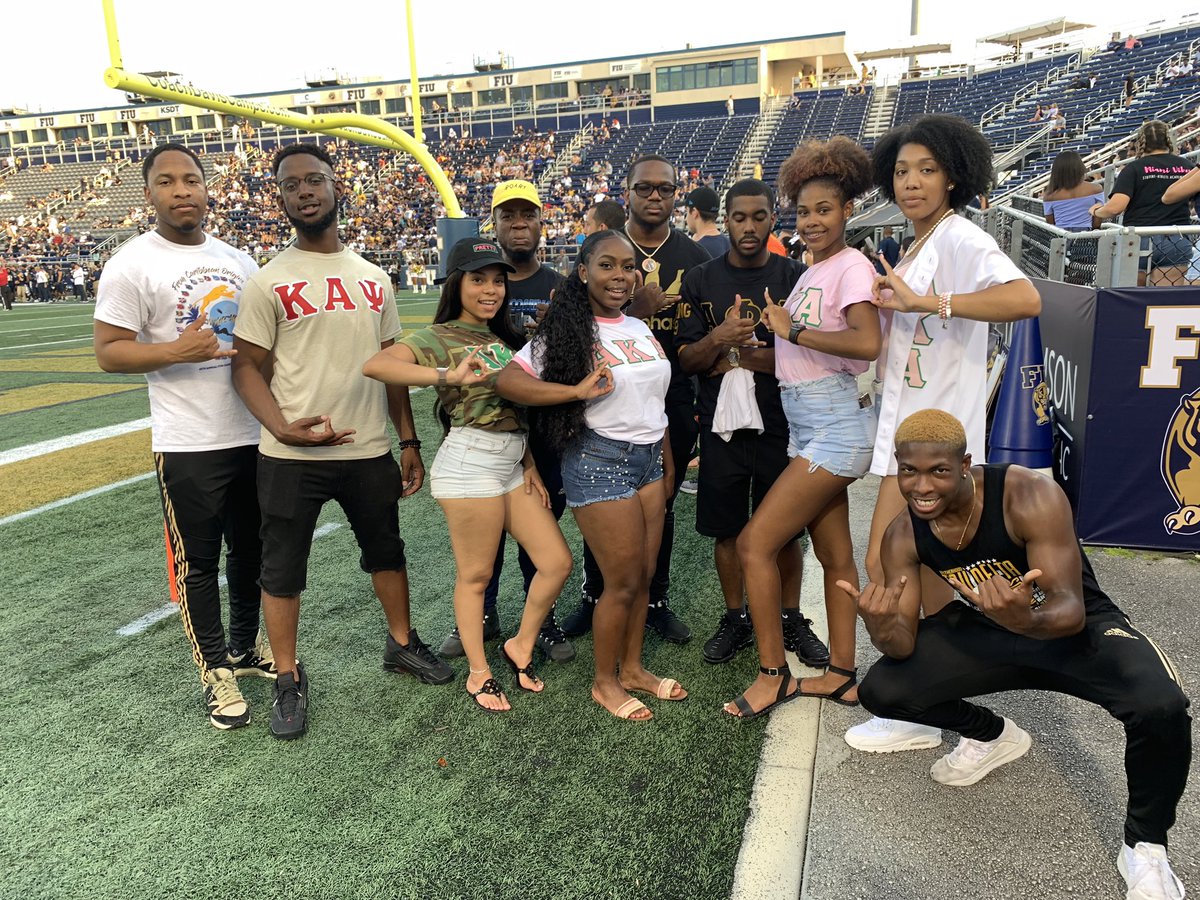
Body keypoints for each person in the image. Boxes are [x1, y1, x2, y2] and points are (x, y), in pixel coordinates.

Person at [843, 409, 1190, 900]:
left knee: (1162, 705)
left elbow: (1068, 608)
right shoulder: (902, 535)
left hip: (1075, 627)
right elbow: (901, 644)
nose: (922, 486)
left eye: (938, 471)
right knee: (882, 688)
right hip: (995, 625)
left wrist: (1024, 618)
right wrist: (880, 627)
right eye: (909, 471)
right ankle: (993, 736)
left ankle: (1146, 847)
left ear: (965, 464)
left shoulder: (1028, 494)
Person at [231, 143, 450, 740]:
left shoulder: (374, 278)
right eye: (290, 184)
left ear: (336, 188)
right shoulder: (268, 280)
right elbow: (246, 366)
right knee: (282, 568)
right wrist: (279, 425)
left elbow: (392, 367)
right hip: (290, 454)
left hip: (367, 449)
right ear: (279, 199)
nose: (303, 190)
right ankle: (286, 674)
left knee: (387, 551)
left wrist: (408, 441)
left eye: (314, 180)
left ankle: (401, 643)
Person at [848, 115, 1041, 751]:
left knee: (890, 568)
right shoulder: (916, 244)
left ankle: (965, 723)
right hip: (908, 440)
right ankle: (926, 707)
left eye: (927, 169)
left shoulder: (959, 237)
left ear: (954, 177)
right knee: (917, 580)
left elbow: (1024, 299)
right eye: (901, 170)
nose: (911, 182)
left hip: (936, 449)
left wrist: (930, 304)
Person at [93, 142, 271, 731]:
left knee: (252, 551)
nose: (181, 191)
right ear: (149, 194)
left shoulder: (238, 259)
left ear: (206, 186)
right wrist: (177, 349)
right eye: (167, 182)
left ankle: (246, 648)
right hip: (188, 440)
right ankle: (214, 669)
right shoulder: (130, 264)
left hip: (251, 430)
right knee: (199, 562)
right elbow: (108, 352)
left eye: (191, 179)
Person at [361, 238, 574, 712]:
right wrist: (447, 378)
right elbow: (376, 365)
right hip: (471, 463)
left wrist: (530, 464)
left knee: (557, 562)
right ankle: (479, 674)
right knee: (476, 576)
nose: (491, 289)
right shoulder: (438, 335)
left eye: (498, 280)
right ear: (457, 284)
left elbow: (511, 411)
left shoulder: (499, 339)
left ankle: (519, 645)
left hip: (511, 464)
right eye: (478, 279)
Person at [715, 143, 881, 717]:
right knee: (836, 555)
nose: (811, 221)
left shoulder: (852, 266)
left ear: (848, 210)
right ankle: (840, 673)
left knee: (756, 543)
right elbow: (806, 346)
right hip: (807, 423)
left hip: (834, 425)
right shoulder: (816, 269)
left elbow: (866, 344)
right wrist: (773, 334)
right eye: (804, 212)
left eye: (824, 210)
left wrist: (794, 333)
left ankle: (772, 674)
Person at [496, 230, 686, 720]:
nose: (620, 276)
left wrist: (664, 463)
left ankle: (634, 668)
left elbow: (654, 403)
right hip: (600, 463)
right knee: (620, 581)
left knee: (642, 577)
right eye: (607, 265)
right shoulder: (570, 330)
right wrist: (573, 393)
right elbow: (509, 380)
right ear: (583, 272)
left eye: (628, 266)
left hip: (647, 461)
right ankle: (605, 682)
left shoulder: (638, 327)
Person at [675, 178, 830, 670]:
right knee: (727, 530)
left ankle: (789, 616)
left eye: (758, 217)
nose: (748, 226)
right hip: (720, 429)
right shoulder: (700, 279)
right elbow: (688, 360)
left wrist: (744, 355)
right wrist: (720, 337)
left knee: (783, 531)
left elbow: (811, 355)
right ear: (726, 219)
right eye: (739, 217)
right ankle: (735, 616)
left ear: (772, 218)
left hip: (785, 424)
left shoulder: (795, 276)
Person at [561, 155, 709, 644]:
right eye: (644, 188)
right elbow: (571, 321)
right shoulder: (602, 249)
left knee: (659, 504)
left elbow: (698, 334)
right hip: (603, 406)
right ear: (626, 192)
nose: (654, 197)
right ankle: (595, 594)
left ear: (675, 195)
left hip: (668, 397)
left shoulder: (693, 257)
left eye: (664, 189)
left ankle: (655, 601)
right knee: (601, 501)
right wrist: (636, 310)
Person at [435, 180, 575, 663]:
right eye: (508, 215)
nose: (519, 223)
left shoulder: (561, 284)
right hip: (486, 428)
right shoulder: (482, 283)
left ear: (541, 222)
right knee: (484, 538)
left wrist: (550, 342)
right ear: (494, 224)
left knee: (543, 530)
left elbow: (576, 358)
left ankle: (545, 620)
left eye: (527, 214)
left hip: (543, 432)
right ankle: (485, 614)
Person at [1090, 120, 1196, 286]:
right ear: (1168, 140)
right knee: (1165, 301)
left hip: (1139, 239)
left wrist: (1096, 211)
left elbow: (1116, 207)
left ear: (1141, 142)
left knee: (1133, 298)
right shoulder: (1187, 167)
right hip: (1176, 237)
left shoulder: (1134, 168)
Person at [1042, 150, 1105, 231]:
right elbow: (1097, 220)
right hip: (1086, 235)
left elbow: (1050, 223)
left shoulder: (1049, 195)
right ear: (1080, 167)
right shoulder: (1096, 189)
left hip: (1060, 237)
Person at [683, 187, 731, 258]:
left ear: (694, 212)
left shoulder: (694, 251)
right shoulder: (730, 244)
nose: (685, 219)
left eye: (686, 212)